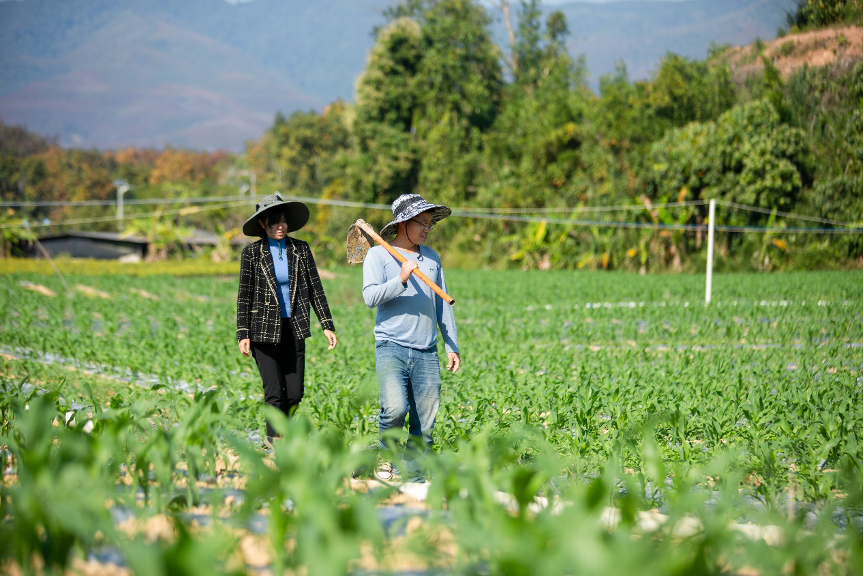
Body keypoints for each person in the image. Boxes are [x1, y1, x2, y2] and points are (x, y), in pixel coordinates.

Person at [362, 193, 460, 481]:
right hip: (391, 345)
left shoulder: (431, 258)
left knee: (425, 421)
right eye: (422, 223)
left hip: (427, 350)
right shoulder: (378, 255)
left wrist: (451, 345)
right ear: (404, 223)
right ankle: (386, 456)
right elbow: (370, 296)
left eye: (430, 224)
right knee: (394, 408)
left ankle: (415, 478)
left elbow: (441, 303)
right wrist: (401, 278)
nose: (427, 229)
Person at [237, 193, 337, 450]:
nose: (280, 226)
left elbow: (316, 287)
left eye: (283, 221)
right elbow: (244, 295)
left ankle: (282, 431)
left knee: (294, 392)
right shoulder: (252, 253)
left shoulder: (300, 249)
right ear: (263, 224)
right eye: (274, 222)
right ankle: (275, 439)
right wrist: (243, 333)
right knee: (273, 391)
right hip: (262, 330)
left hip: (294, 327)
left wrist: (326, 324)